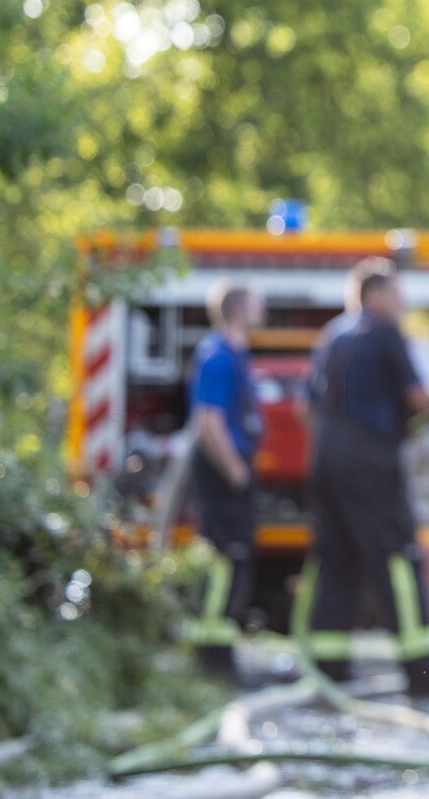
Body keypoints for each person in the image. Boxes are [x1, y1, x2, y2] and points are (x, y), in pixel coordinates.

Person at [304, 257, 429, 698]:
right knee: (399, 560)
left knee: (338, 562)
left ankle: (328, 670)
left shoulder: (334, 336)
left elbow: (309, 407)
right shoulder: (384, 334)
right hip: (371, 464)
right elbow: (418, 397)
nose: (402, 301)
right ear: (374, 294)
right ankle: (424, 676)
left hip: (326, 460)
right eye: (396, 292)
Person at [185, 280, 264, 682]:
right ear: (237, 310)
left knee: (236, 561)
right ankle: (213, 660)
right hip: (222, 472)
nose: (261, 310)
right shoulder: (217, 357)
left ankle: (221, 653)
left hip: (234, 466)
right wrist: (233, 467)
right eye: (254, 303)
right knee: (223, 561)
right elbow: (208, 420)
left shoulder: (235, 354)